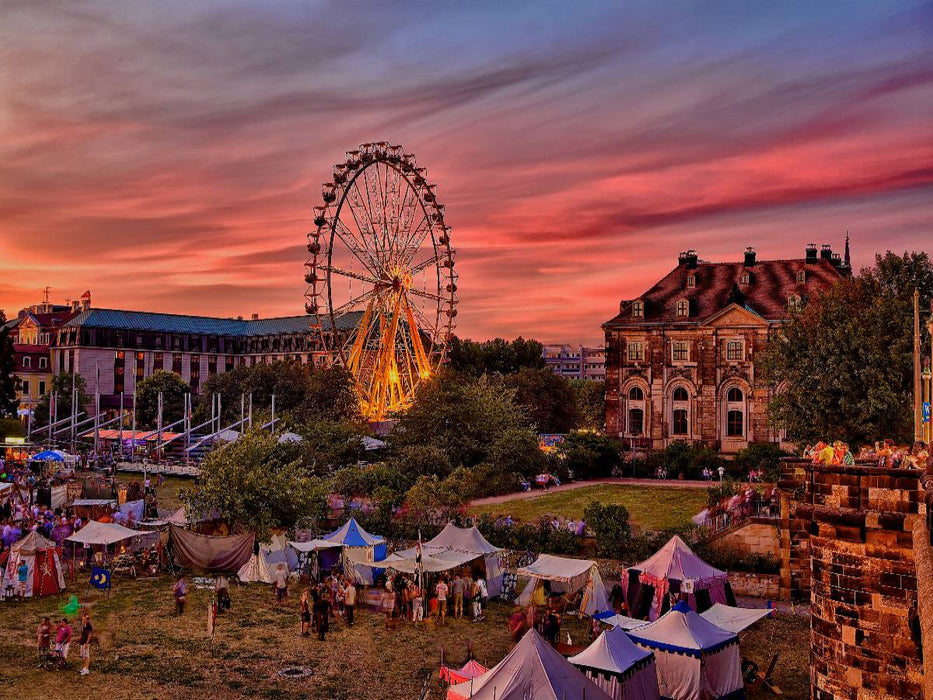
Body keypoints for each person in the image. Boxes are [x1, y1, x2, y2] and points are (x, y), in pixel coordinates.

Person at [78, 609, 92, 675]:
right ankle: (84, 668)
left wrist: (86, 643)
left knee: (87, 656)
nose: (84, 619)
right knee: (83, 656)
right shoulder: (83, 625)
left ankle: (87, 669)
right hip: (82, 642)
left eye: (85, 618)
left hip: (86, 642)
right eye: (83, 618)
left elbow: (89, 636)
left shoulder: (89, 626)